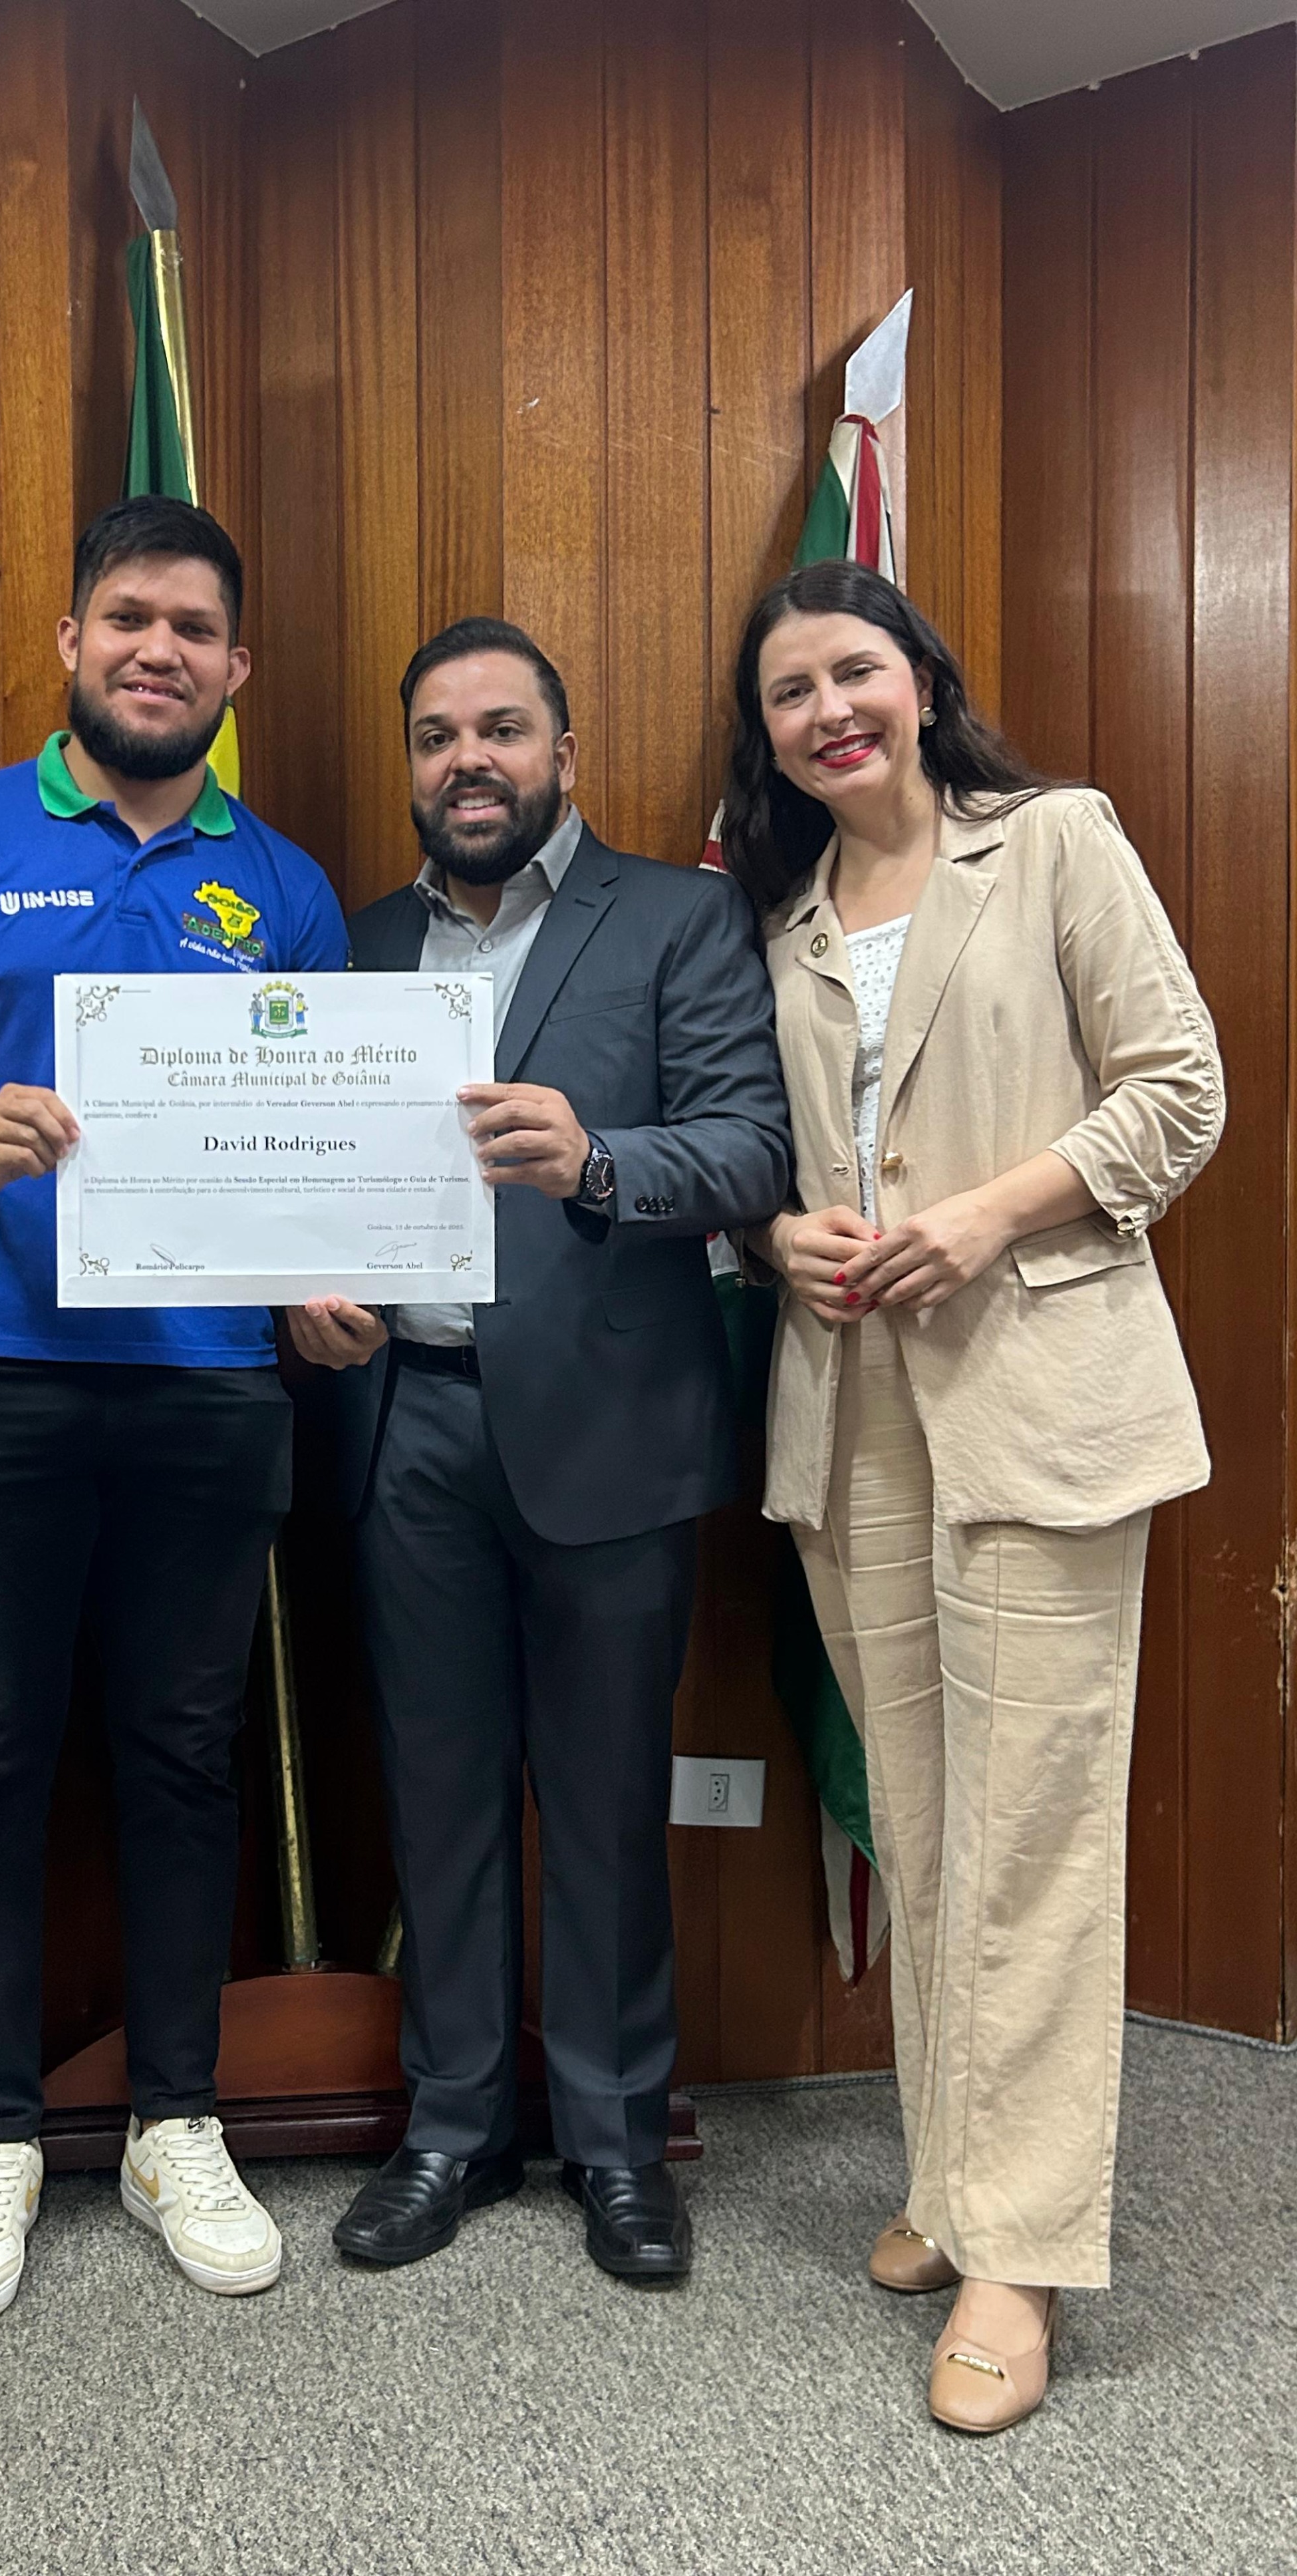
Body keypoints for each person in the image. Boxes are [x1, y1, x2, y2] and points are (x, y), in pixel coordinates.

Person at [720, 560, 1223, 2432]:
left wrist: (989, 1216)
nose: (828, 711)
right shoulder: (782, 922)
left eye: (854, 672)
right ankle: (952, 2178)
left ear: (921, 684)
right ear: (770, 736)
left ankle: (1020, 2252)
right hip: (851, 1413)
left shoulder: (1059, 841)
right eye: (790, 693)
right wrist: (782, 1235)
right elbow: (776, 1166)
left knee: (1030, 1833)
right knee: (928, 1818)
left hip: (1042, 1393)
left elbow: (1178, 1092)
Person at [0, 496, 347, 2327]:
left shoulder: (282, 886)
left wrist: (325, 1284)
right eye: (129, 617)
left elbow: (312, 1148)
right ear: (72, 642)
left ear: (236, 669)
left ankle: (174, 2121)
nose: (159, 650)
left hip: (209, 1389)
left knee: (184, 1752)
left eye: (194, 629)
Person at [292, 617, 793, 2281]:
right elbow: (304, 1171)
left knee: (603, 1805)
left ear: (562, 754)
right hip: (405, 1426)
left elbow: (751, 1150)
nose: (470, 761)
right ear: (414, 766)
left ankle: (617, 2140)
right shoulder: (360, 944)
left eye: (502, 729)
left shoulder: (677, 918)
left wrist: (595, 1160)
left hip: (609, 1431)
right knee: (437, 1803)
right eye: (438, 736)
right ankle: (451, 2128)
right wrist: (308, 1292)